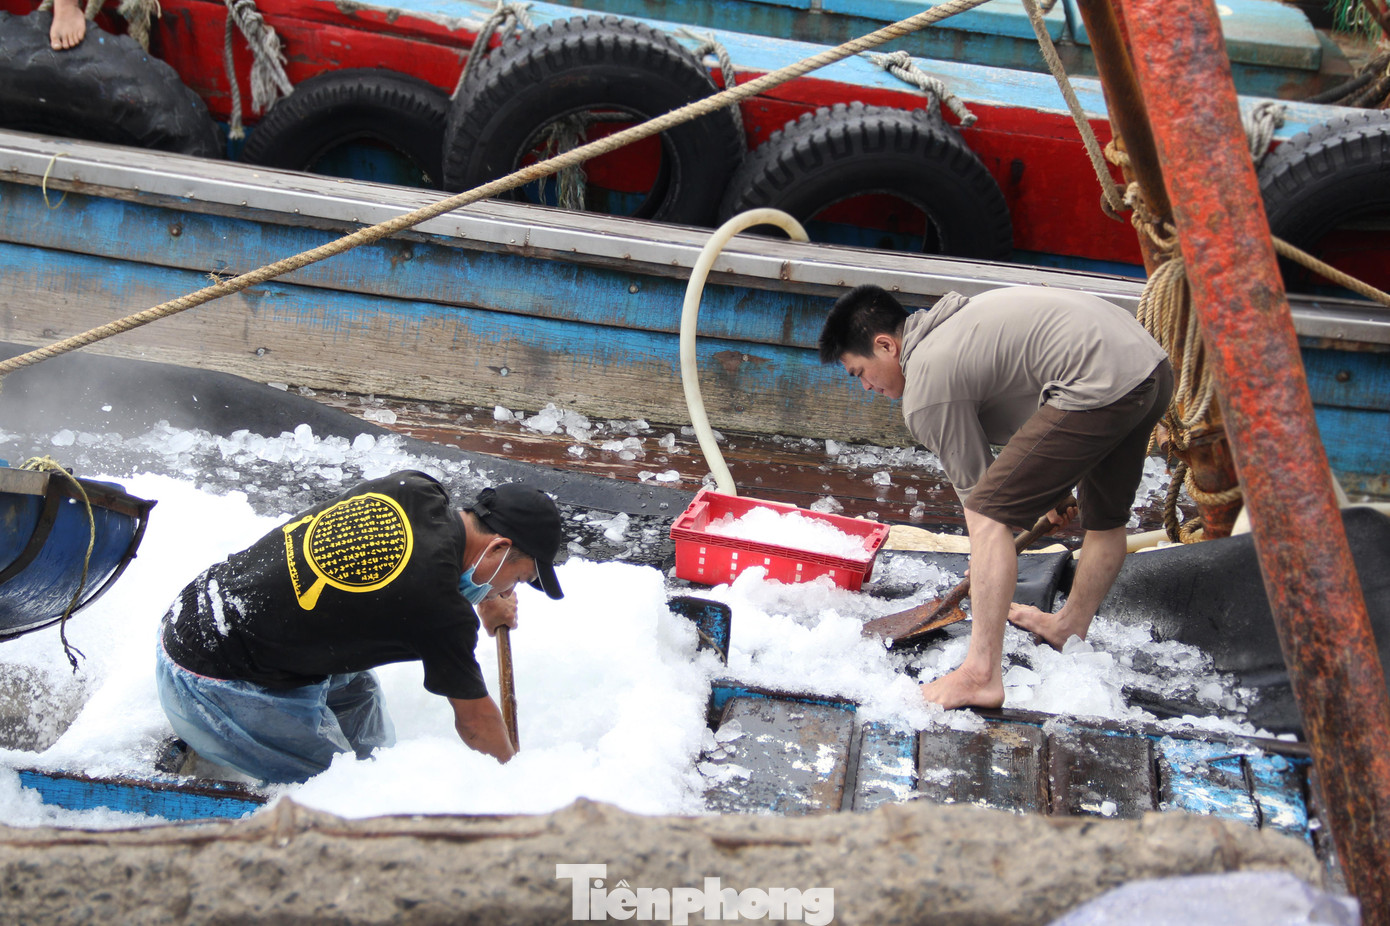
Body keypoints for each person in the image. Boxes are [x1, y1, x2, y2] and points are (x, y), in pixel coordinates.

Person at [819, 284, 1173, 710]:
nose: (865, 387)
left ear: (885, 345)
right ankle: (1069, 627)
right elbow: (1036, 403)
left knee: (986, 519)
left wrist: (1004, 514)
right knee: (1105, 520)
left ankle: (979, 675)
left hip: (1097, 380)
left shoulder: (927, 384)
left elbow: (985, 507)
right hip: (1148, 368)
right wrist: (1055, 491)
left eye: (859, 373)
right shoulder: (957, 326)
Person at [155, 471, 565, 782]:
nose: (511, 591)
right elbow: (476, 725)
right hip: (211, 677)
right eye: (519, 579)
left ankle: (374, 770)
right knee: (335, 792)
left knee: (358, 693)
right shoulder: (441, 614)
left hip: (196, 606)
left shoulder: (414, 487)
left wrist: (488, 594)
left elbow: (427, 568)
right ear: (497, 548)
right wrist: (517, 788)